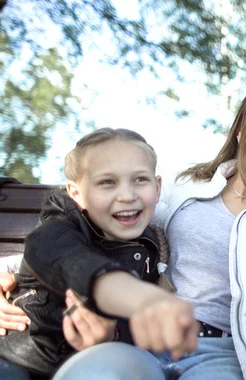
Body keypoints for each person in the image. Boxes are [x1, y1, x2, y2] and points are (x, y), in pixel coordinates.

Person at [52, 78, 246, 380]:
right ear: (241, 131)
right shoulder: (186, 187)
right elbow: (99, 224)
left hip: (225, 357)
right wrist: (12, 271)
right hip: (144, 342)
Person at [0, 128, 198, 379]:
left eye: (140, 179)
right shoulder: (59, 227)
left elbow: (131, 330)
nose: (127, 196)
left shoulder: (151, 250)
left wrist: (113, 335)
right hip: (18, 356)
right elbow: (63, 255)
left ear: (157, 188)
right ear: (76, 194)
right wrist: (135, 295)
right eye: (107, 182)